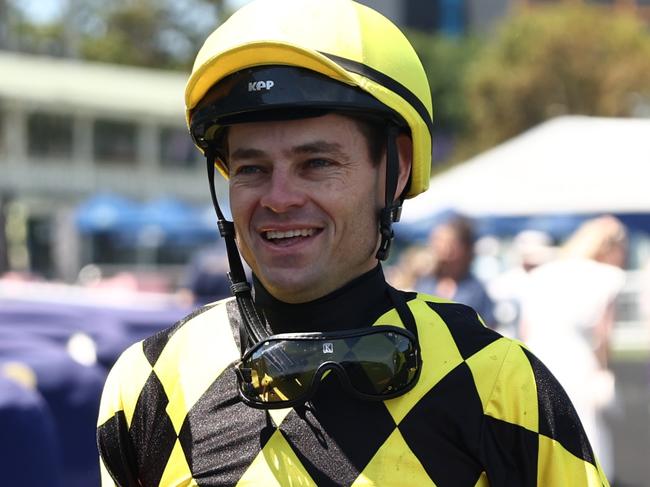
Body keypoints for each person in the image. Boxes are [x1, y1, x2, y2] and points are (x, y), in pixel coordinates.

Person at [96, 1, 609, 485]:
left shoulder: (501, 384)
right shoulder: (149, 381)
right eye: (252, 168)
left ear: (396, 168)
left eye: (316, 164)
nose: (278, 198)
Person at [520, 215, 628, 482]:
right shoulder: (608, 277)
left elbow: (525, 327)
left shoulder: (544, 272)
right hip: (578, 359)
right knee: (587, 430)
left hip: (539, 356)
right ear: (609, 247)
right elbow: (603, 337)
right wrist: (603, 369)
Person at [416, 215, 496, 328]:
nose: (439, 247)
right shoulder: (424, 283)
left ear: (465, 248)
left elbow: (490, 330)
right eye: (436, 241)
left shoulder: (476, 290)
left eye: (447, 242)